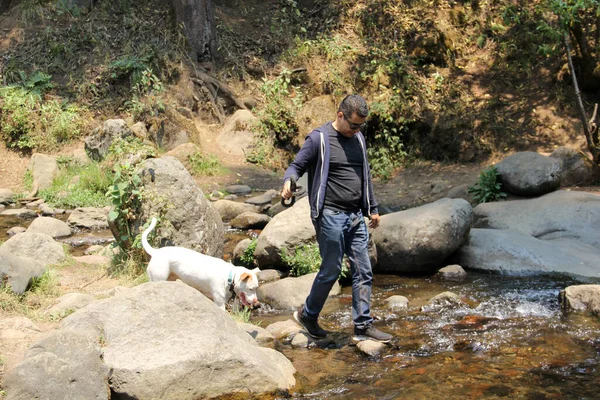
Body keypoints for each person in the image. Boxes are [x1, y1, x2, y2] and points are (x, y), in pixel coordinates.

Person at [281, 94, 393, 343]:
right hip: (330, 215)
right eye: (353, 125)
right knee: (331, 270)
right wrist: (289, 182)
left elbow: (365, 175)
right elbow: (296, 166)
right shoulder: (319, 138)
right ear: (340, 116)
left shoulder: (359, 139)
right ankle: (308, 315)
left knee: (364, 270)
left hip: (355, 216)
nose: (356, 130)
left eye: (360, 126)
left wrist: (372, 208)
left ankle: (363, 325)